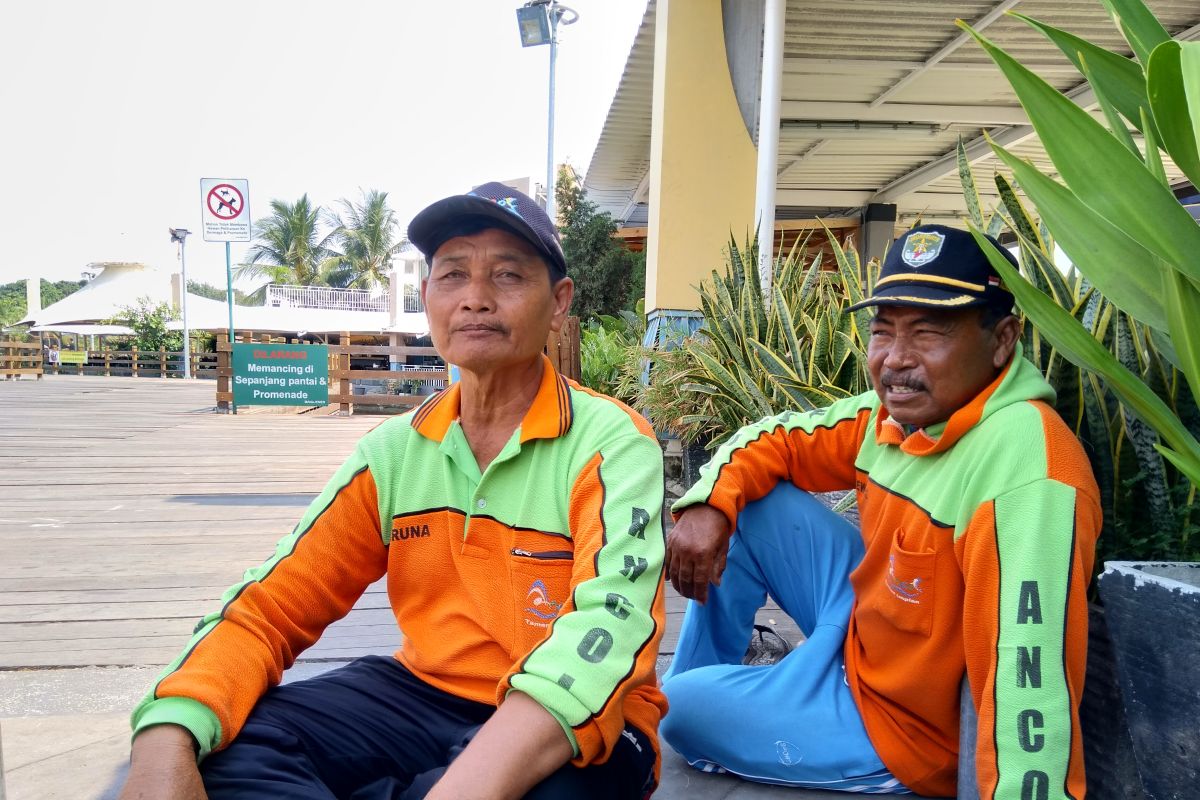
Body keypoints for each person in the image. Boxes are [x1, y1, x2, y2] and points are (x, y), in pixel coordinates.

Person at [119, 182, 668, 800]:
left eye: (509, 276)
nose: (476, 300)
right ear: (428, 295)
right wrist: (166, 735)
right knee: (222, 749)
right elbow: (271, 604)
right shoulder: (394, 454)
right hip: (421, 691)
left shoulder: (613, 445)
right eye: (453, 274)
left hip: (578, 713)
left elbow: (609, 630)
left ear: (559, 301)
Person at [660, 225, 1099, 799]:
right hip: (866, 629)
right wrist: (708, 505)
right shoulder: (893, 417)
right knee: (748, 503)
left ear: (1002, 340)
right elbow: (774, 439)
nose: (896, 359)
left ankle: (728, 703)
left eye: (928, 332)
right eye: (883, 331)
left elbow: (1030, 696)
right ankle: (719, 681)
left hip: (901, 728)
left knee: (678, 710)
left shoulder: (1027, 475)